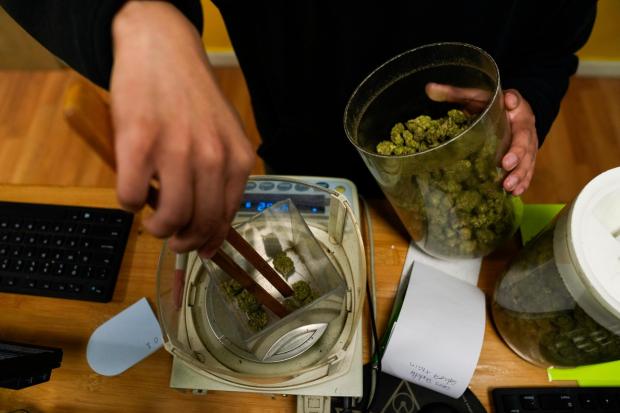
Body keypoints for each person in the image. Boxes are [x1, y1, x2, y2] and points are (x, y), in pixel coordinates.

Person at [1, 1, 597, 257]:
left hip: (472, 183)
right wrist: (138, 14)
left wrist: (529, 104)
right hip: (304, 152)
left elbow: (553, 43)